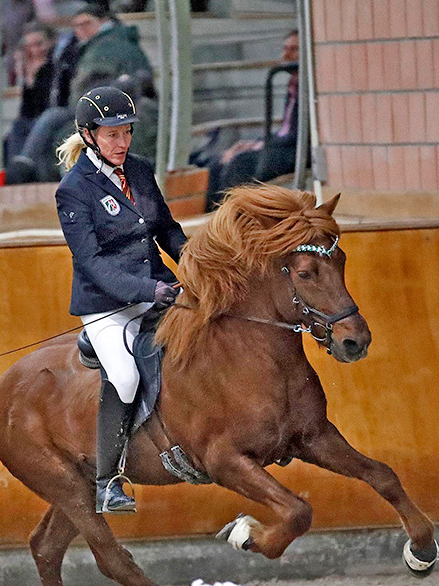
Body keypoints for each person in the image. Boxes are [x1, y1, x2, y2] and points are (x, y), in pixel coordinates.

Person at [55, 86, 187, 514]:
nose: (122, 143)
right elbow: (91, 262)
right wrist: (147, 291)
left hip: (158, 287)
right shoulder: (74, 190)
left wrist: (195, 261)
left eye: (127, 133)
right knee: (126, 377)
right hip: (106, 304)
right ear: (89, 135)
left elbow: (165, 228)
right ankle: (107, 482)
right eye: (112, 135)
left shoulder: (141, 171)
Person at [6, 0, 152, 183]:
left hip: (99, 109)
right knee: (23, 128)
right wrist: (30, 82)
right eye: (76, 26)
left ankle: (24, 167)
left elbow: (135, 79)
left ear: (104, 22)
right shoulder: (81, 50)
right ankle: (22, 167)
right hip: (82, 107)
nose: (81, 30)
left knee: (52, 121)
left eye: (86, 23)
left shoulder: (112, 46)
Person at [205, 29, 300, 210]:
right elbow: (284, 130)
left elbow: (296, 134)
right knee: (217, 163)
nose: (286, 55)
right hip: (283, 144)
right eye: (285, 48)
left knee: (240, 163)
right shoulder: (292, 85)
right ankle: (210, 215)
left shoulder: (310, 87)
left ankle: (231, 215)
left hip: (295, 150)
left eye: (294, 49)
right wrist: (257, 142)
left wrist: (262, 145)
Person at [4, 22, 54, 162]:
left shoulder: (56, 64)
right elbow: (26, 110)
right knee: (16, 128)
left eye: (39, 44)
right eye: (29, 46)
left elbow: (48, 102)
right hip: (32, 119)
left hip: (51, 117)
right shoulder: (28, 68)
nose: (35, 50)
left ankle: (23, 167)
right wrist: (29, 79)